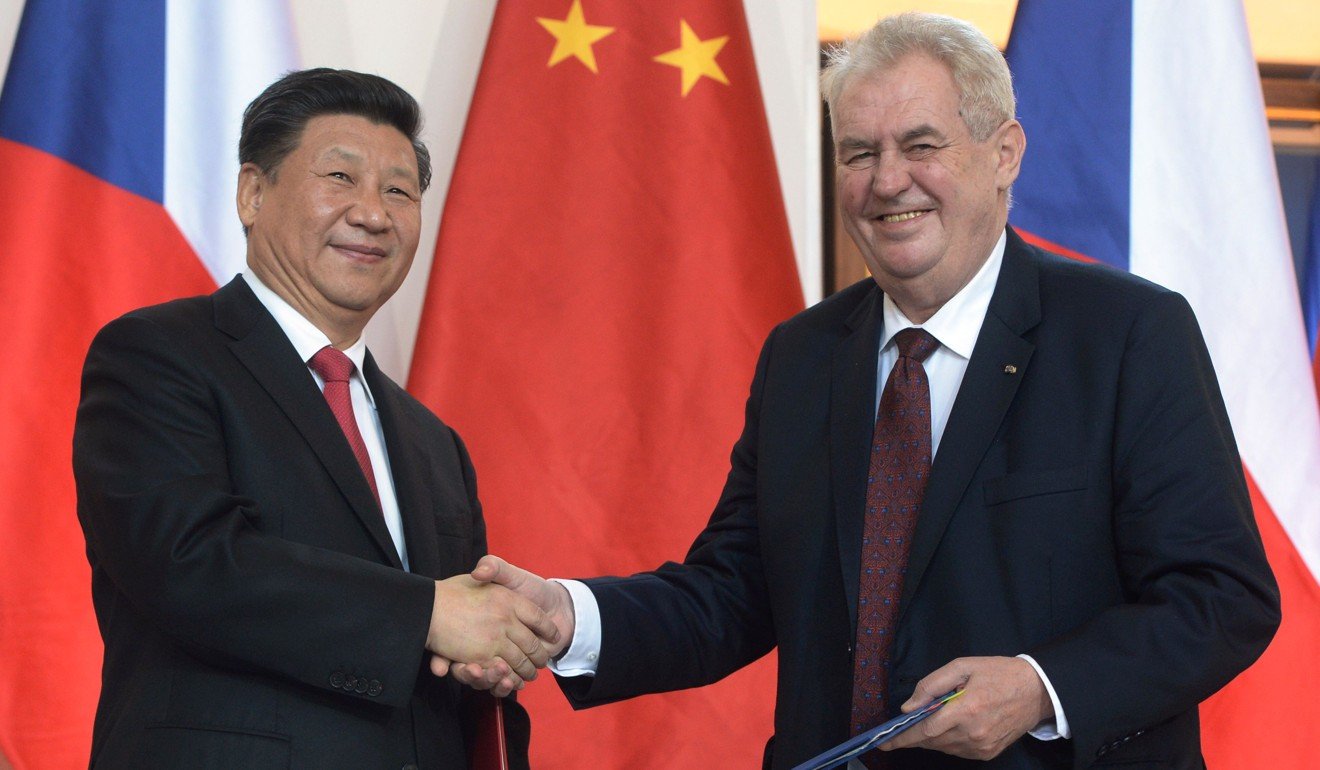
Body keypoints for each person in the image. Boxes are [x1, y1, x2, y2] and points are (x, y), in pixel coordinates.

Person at [446, 13, 1280, 770]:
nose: (887, 182)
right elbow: (734, 592)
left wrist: (1040, 688)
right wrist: (564, 616)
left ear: (1004, 154)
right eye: (859, 152)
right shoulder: (803, 357)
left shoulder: (1127, 333)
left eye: (921, 146)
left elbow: (1223, 597)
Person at [72, 68, 558, 769]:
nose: (373, 213)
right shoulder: (157, 355)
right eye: (340, 177)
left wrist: (492, 653)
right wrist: (426, 615)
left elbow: (449, 650)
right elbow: (185, 563)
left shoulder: (434, 443)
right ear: (252, 192)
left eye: (399, 190)